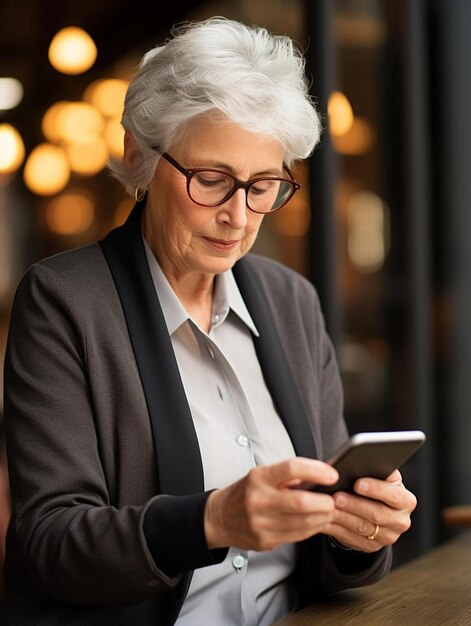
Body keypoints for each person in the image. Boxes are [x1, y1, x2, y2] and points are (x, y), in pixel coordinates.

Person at [0, 17, 417, 626]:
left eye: (264, 185)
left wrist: (358, 533)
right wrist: (213, 520)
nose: (239, 216)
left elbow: (326, 550)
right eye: (212, 180)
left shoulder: (290, 300)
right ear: (139, 154)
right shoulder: (64, 301)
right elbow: (52, 544)